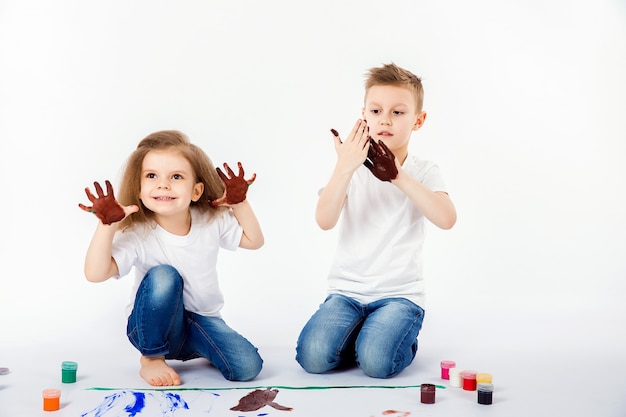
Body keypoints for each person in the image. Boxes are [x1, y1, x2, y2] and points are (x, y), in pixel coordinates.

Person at [295, 63, 457, 379]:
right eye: (376, 110)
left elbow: (447, 218)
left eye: (398, 112)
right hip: (347, 293)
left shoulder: (424, 170)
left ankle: (386, 337)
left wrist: (397, 176)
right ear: (364, 115)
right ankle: (363, 333)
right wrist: (344, 167)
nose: (385, 119)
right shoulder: (350, 166)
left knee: (377, 363)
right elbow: (324, 220)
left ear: (418, 120)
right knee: (313, 358)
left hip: (399, 296)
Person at [79, 130, 264, 386]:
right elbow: (95, 273)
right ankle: (152, 358)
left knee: (247, 367)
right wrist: (107, 226)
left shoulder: (211, 221)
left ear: (196, 190)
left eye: (176, 177)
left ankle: (198, 348)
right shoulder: (139, 234)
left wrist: (240, 203)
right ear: (140, 188)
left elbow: (254, 241)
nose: (163, 184)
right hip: (149, 326)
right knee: (164, 275)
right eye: (152, 176)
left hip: (202, 321)